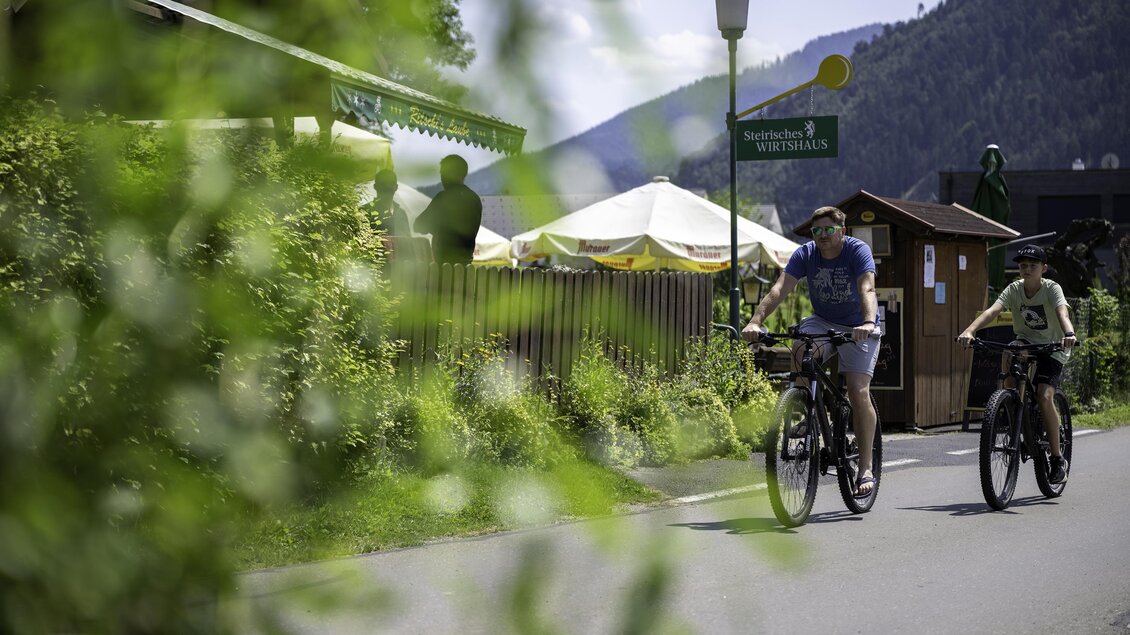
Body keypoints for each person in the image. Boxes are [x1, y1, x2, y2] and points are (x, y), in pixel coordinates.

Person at [742, 206, 881, 497]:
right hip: (823, 321)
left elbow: (867, 288)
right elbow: (780, 289)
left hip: (859, 325)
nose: (822, 235)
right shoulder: (806, 254)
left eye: (828, 230)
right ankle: (809, 410)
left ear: (842, 231)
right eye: (816, 230)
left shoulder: (857, 250)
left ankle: (865, 466)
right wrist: (756, 321)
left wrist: (868, 322)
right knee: (800, 347)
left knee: (857, 391)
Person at [957, 244, 1077, 484]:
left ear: (1043, 268)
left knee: (1044, 395)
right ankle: (1011, 405)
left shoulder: (1052, 288)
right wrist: (969, 330)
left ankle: (1056, 459)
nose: (1027, 269)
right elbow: (992, 311)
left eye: (1033, 266)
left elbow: (1062, 313)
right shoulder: (1014, 289)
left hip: (1053, 346)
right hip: (1026, 342)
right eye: (1023, 265)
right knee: (1010, 350)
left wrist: (1069, 333)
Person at [413, 154, 482, 265]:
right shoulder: (474, 199)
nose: (442, 178)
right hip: (466, 262)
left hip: (444, 263)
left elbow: (419, 225)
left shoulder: (443, 198)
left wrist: (436, 228)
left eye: (444, 173)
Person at [364, 168, 411, 236]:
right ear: (375, 186)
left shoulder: (401, 214)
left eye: (391, 183)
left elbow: (409, 242)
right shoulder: (365, 212)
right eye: (383, 183)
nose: (387, 186)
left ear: (396, 187)